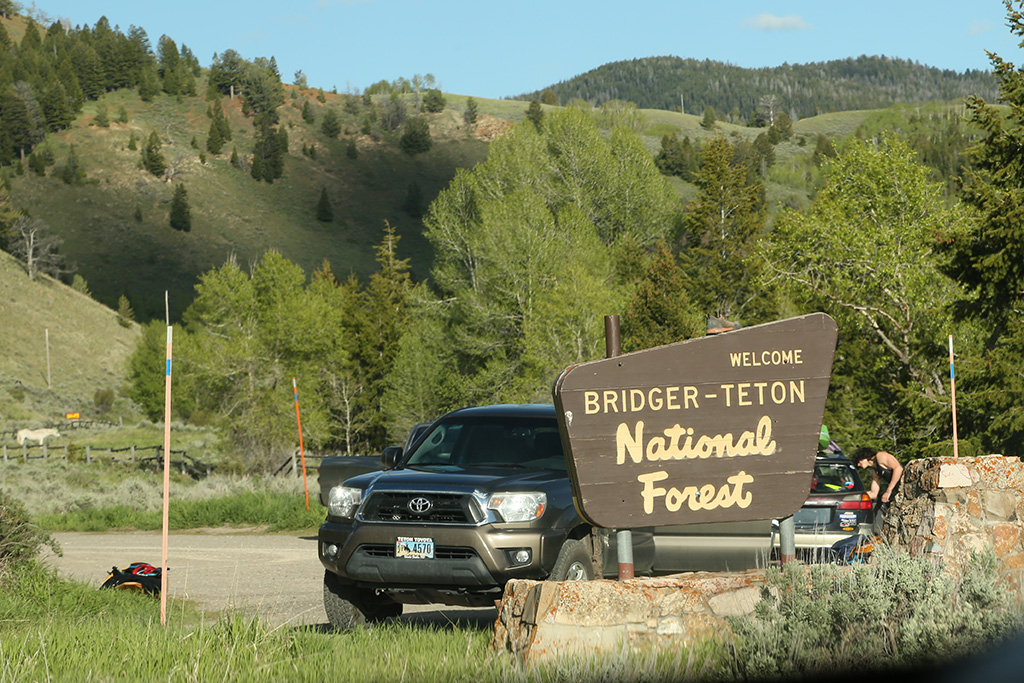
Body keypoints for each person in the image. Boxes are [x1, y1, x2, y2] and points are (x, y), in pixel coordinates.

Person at [852, 446, 903, 530]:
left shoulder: (880, 456)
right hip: (899, 491)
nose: (858, 464)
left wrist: (888, 491)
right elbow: (873, 494)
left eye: (859, 461)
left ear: (864, 457)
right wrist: (855, 496)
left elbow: (898, 468)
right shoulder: (875, 472)